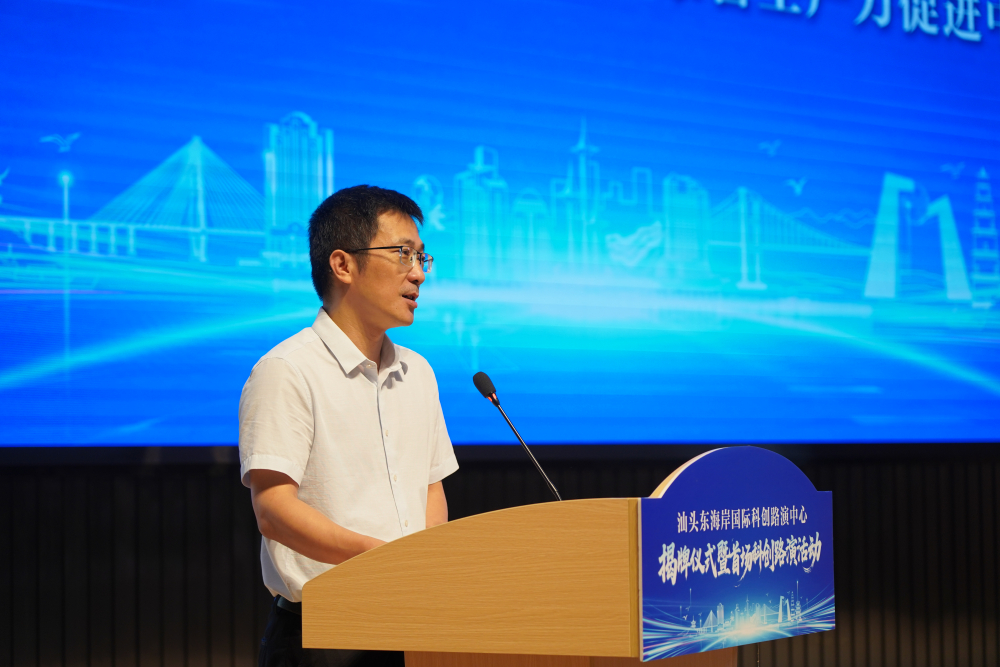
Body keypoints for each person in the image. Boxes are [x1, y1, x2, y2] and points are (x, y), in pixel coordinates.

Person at [238, 185, 458, 667]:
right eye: (402, 254)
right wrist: (380, 560)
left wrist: (423, 570)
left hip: (414, 622)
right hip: (324, 635)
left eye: (422, 257)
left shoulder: (418, 372)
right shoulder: (287, 370)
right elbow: (273, 510)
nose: (418, 274)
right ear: (342, 265)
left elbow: (430, 488)